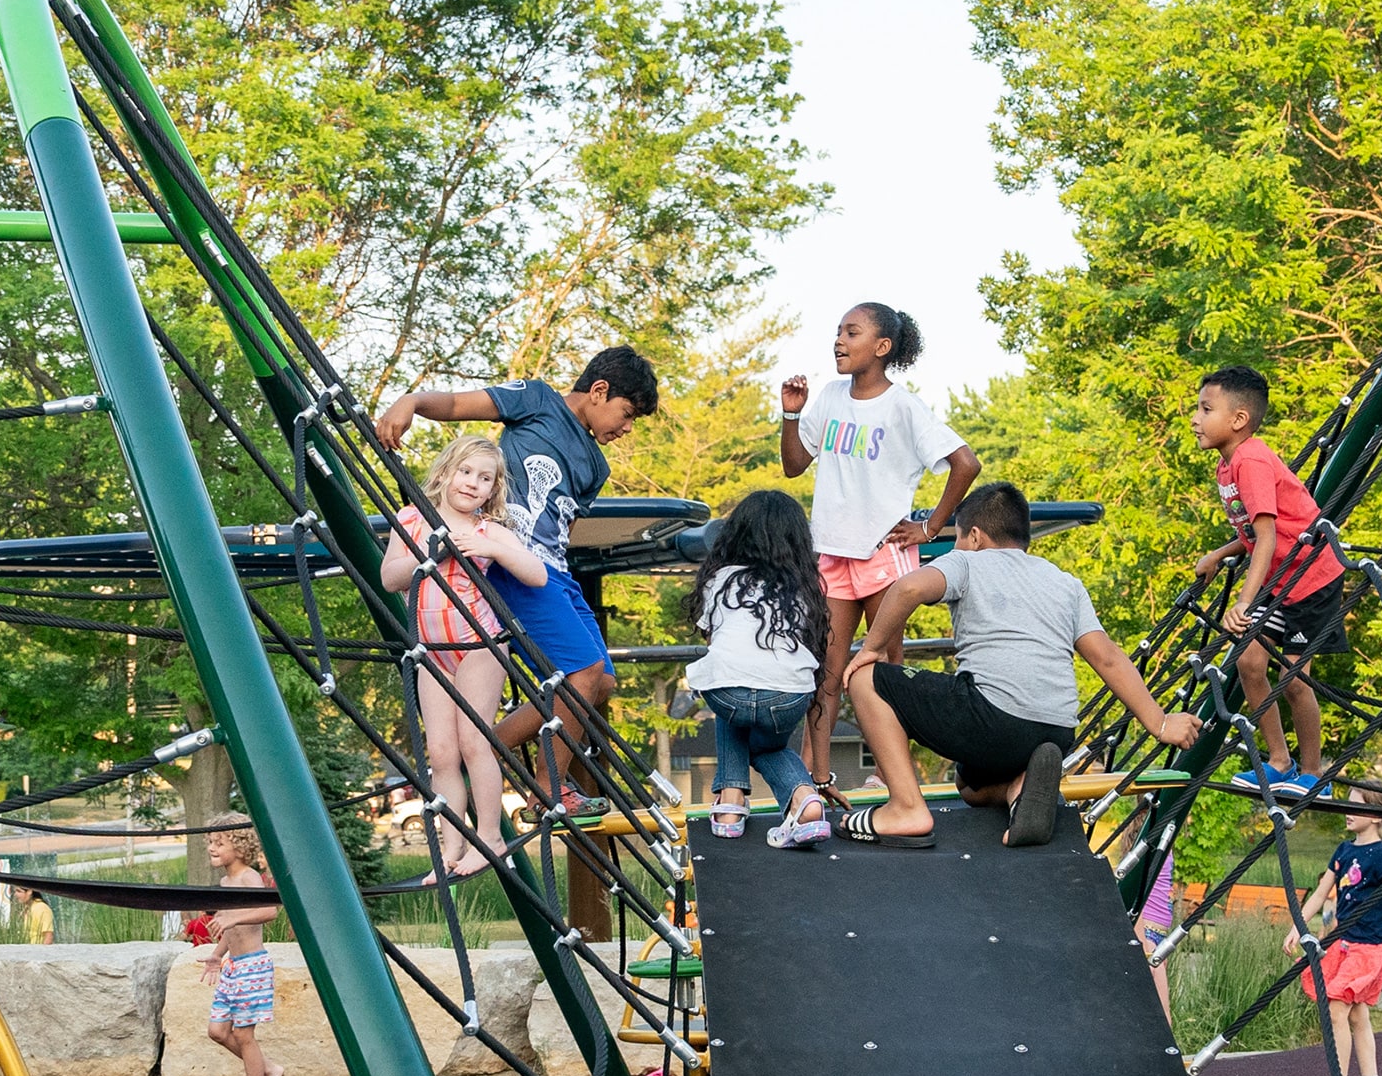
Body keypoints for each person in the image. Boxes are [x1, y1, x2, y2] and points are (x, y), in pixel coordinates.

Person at [376, 347, 660, 817]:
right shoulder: (537, 400)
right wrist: (411, 402)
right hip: (511, 562)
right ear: (599, 391)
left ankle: (483, 745)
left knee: (601, 681)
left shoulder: (597, 466)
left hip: (553, 571)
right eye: (627, 414)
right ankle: (551, 786)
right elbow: (455, 404)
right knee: (582, 672)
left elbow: (562, 529)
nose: (627, 428)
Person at [841, 482, 1204, 847]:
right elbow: (1107, 657)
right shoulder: (1065, 583)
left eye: (959, 539)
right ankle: (1016, 788)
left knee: (866, 679)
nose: (957, 547)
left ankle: (905, 807)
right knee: (968, 785)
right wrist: (1159, 723)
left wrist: (871, 650)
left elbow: (906, 589)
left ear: (976, 536)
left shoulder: (967, 560)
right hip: (1057, 732)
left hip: (992, 719)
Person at [780, 303, 980, 804]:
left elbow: (966, 463)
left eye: (852, 332)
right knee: (824, 669)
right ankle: (816, 777)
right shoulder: (827, 397)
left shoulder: (903, 407)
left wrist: (930, 526)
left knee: (883, 670)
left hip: (881, 554)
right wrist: (791, 413)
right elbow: (792, 465)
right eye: (838, 332)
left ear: (882, 346)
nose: (839, 341)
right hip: (831, 554)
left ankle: (894, 776)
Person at [381, 435, 545, 879]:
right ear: (445, 473)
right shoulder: (412, 519)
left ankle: (491, 836)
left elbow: (537, 574)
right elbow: (389, 578)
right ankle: (452, 848)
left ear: (493, 490)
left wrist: (492, 549)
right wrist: (425, 554)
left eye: (485, 478)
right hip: (432, 651)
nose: (473, 483)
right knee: (442, 753)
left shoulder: (487, 530)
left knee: (476, 742)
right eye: (466, 472)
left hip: (479, 646)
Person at [1191, 366, 1349, 796]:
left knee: (1295, 679)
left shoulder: (1252, 461)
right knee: (1248, 662)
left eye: (1206, 409)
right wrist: (1218, 554)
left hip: (1311, 580)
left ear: (1239, 419)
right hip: (1279, 579)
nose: (1195, 419)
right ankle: (1279, 759)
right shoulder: (1228, 468)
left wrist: (1242, 602)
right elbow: (1252, 533)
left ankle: (1314, 774)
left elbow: (1267, 535)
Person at [684, 490, 832, 849]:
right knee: (767, 747)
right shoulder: (805, 587)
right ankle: (804, 799)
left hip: (728, 693)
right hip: (788, 695)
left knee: (729, 690)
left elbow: (715, 641)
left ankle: (731, 803)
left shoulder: (719, 579)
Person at [1285, 787, 1382, 1076]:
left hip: (1370, 948)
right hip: (1343, 944)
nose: (1346, 810)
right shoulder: (1344, 851)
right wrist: (1297, 926)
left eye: (1354, 806)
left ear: (1375, 816)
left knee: (1336, 1010)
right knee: (1357, 1016)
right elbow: (1321, 893)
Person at [198, 813, 284, 1076]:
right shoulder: (224, 881)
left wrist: (233, 917)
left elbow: (269, 911)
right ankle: (269, 1070)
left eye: (219, 843)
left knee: (245, 1035)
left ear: (240, 846)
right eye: (210, 842)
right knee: (217, 1031)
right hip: (233, 966)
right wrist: (216, 954)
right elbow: (228, 929)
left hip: (253, 967)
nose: (211, 847)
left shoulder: (249, 877)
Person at [1135, 853, 1176, 1024]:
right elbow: (1137, 896)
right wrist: (1145, 947)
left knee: (1158, 1013)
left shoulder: (1167, 837)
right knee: (1163, 1017)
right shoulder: (1154, 842)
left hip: (1158, 936)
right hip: (1148, 935)